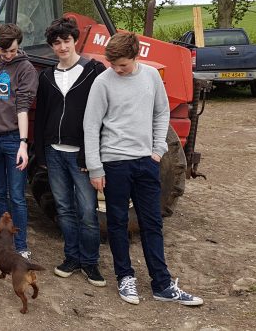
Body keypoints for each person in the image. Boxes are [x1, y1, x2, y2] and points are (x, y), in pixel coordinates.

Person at [83, 32, 203, 306]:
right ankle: (125, 277)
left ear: (135, 57)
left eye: (122, 65)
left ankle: (162, 283)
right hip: (114, 163)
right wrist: (95, 167)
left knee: (152, 223)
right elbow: (91, 125)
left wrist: (158, 149)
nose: (116, 69)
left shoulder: (150, 77)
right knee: (117, 222)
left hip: (146, 163)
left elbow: (161, 112)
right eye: (113, 64)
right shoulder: (103, 82)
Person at [33, 17, 107, 287]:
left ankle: (90, 262)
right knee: (63, 208)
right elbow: (41, 116)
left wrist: (92, 154)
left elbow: (101, 116)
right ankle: (71, 257)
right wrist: (40, 153)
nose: (62, 47)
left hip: (81, 154)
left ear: (75, 40)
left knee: (87, 210)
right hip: (54, 152)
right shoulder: (47, 76)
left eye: (66, 41)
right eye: (56, 43)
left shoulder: (93, 71)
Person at [0, 23, 38, 259]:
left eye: (12, 51)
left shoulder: (25, 69)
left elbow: (23, 107)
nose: (7, 55)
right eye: (3, 51)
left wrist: (23, 144)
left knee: (16, 195)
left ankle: (22, 245)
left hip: (13, 139)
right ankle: (2, 243)